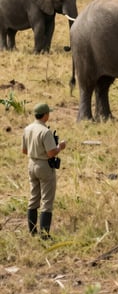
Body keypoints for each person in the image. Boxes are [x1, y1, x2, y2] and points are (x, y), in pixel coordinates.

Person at [22, 102, 66, 238]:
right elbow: (51, 153)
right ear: (45, 115)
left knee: (33, 198)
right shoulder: (45, 132)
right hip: (44, 166)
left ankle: (32, 232)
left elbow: (24, 150)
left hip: (31, 164)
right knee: (47, 201)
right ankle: (45, 235)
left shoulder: (27, 129)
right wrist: (60, 147)